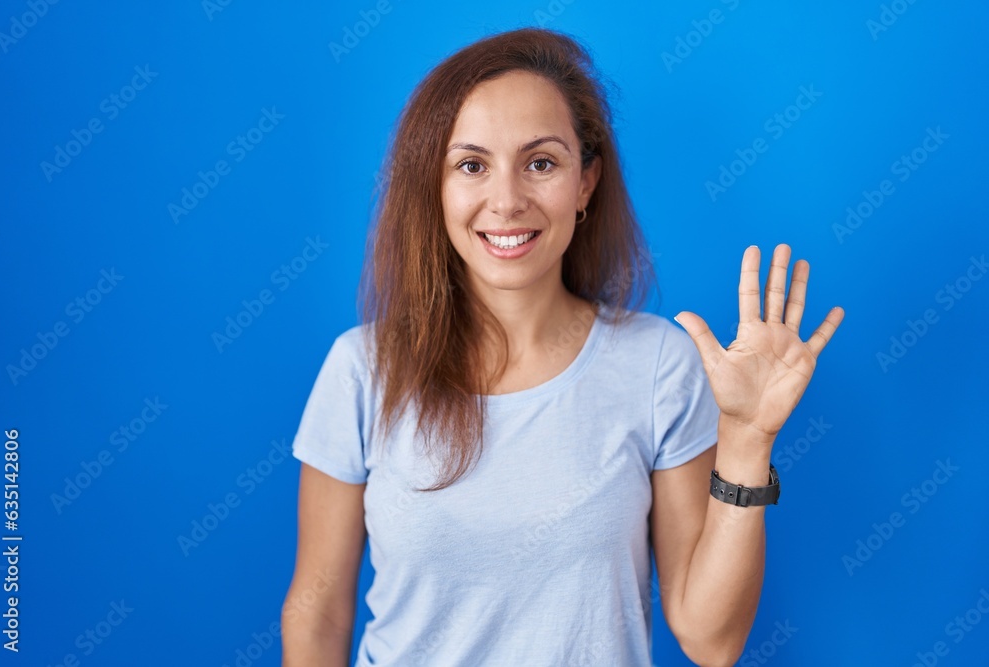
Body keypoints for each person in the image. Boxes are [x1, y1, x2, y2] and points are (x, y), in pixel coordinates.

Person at [280, 27, 843, 667]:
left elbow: (711, 641)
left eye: (541, 163)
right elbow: (318, 605)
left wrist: (746, 438)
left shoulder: (658, 364)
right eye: (471, 165)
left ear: (585, 183)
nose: (508, 200)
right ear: (433, 188)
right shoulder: (361, 370)